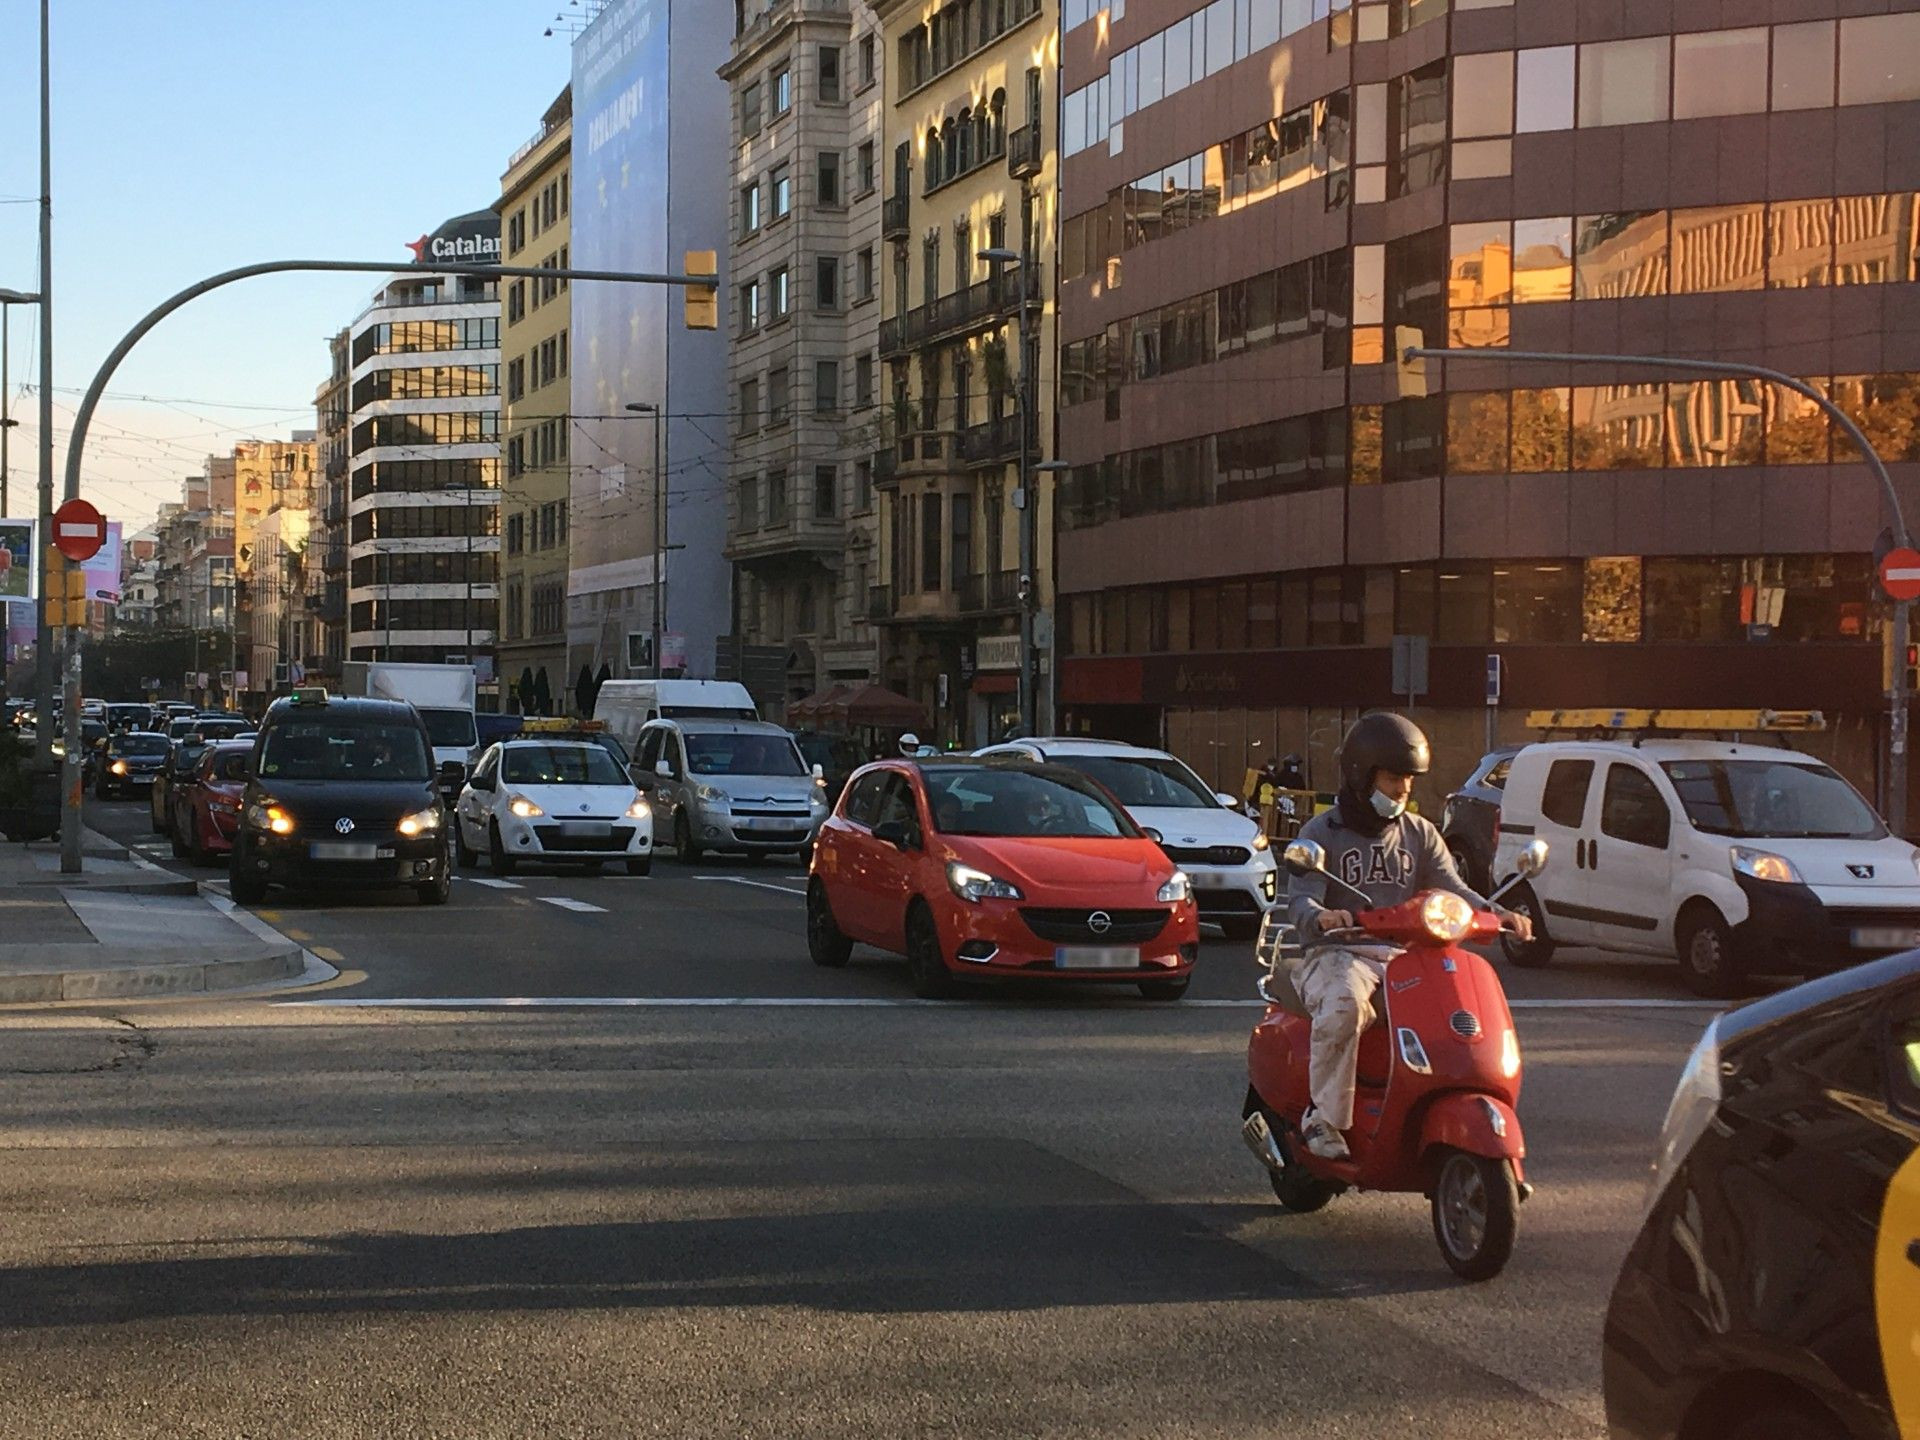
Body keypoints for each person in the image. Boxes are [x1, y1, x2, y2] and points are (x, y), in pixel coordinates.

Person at [1285, 712, 1530, 1161]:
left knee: (1457, 1011)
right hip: (1341, 954)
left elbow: (1453, 889)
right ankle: (1322, 1118)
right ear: (1362, 774)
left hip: (1404, 955)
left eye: (1410, 779)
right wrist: (1322, 918)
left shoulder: (1419, 833)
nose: (1404, 788)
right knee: (1343, 1005)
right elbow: (1300, 899)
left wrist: (1501, 913)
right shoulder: (1322, 833)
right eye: (1394, 777)